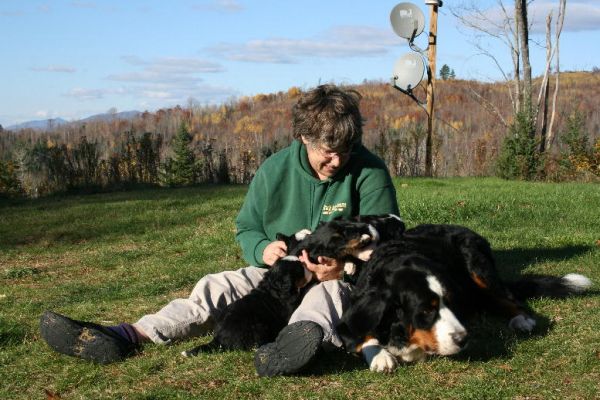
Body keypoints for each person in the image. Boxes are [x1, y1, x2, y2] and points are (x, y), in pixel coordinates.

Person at [39, 84, 399, 376]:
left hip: (339, 280)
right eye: (329, 151)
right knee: (218, 286)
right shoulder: (275, 170)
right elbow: (246, 227)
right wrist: (262, 249)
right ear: (304, 137)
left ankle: (293, 348)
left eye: (346, 151)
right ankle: (129, 335)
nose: (337, 161)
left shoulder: (370, 172)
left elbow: (390, 245)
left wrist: (346, 268)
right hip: (277, 277)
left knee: (328, 296)